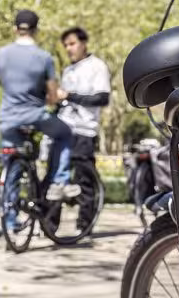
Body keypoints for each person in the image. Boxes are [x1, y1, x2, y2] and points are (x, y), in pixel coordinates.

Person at [0, 10, 80, 230]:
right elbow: (52, 97)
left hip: (8, 118)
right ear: (36, 29)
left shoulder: (2, 54)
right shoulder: (44, 57)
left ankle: (10, 222)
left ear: (15, 29)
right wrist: (52, 97)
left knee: (12, 170)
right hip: (35, 115)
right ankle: (59, 180)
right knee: (64, 133)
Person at [56, 27, 111, 230]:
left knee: (84, 179)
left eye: (72, 43)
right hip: (63, 129)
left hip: (84, 131)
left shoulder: (97, 66)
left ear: (83, 43)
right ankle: (50, 225)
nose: (69, 49)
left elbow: (102, 98)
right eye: (66, 46)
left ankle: (84, 225)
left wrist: (70, 96)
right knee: (56, 179)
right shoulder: (68, 70)